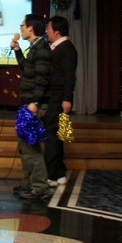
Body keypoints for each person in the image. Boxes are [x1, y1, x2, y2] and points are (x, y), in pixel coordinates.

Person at [11, 14, 53, 201]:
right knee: (24, 146)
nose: (20, 28)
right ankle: (29, 184)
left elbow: (42, 80)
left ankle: (39, 187)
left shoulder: (42, 49)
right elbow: (27, 69)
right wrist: (17, 51)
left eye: (23, 25)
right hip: (27, 104)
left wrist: (35, 103)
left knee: (31, 147)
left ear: (31, 28)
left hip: (33, 104)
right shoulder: (35, 48)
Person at [43, 15, 78, 186]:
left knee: (52, 133)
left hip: (59, 96)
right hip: (55, 95)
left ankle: (52, 174)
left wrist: (67, 98)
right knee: (55, 133)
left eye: (48, 28)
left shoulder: (66, 48)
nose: (46, 31)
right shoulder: (56, 47)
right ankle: (58, 172)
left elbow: (70, 76)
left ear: (57, 31)